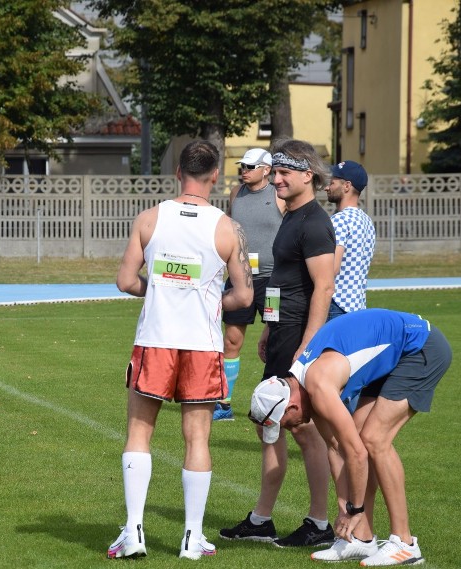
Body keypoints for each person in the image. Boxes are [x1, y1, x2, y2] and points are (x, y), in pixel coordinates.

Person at [108, 140, 254, 560]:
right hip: (202, 344)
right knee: (198, 437)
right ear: (215, 176)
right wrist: (207, 299)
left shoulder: (150, 218)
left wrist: (159, 288)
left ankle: (134, 531)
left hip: (155, 339)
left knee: (139, 432)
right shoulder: (227, 227)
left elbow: (125, 281)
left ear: (177, 173)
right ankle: (192, 536)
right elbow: (244, 296)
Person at [248, 308, 452, 566]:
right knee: (356, 438)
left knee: (374, 440)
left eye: (284, 424)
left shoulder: (319, 386)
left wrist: (354, 509)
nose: (289, 429)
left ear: (291, 407)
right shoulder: (304, 387)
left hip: (420, 347)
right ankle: (362, 539)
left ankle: (405, 543)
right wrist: (346, 511)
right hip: (393, 355)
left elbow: (356, 453)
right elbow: (336, 449)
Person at [220, 138, 336, 547]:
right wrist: (270, 326)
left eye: (285, 172)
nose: (277, 179)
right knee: (268, 423)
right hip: (282, 332)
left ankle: (320, 523)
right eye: (276, 171)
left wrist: (305, 353)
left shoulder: (315, 222)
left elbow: (323, 290)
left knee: (303, 430)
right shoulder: (291, 215)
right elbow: (284, 282)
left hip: (301, 341)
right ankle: (261, 519)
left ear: (308, 175)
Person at [214, 148, 285, 421]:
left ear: (266, 169)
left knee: (276, 341)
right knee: (231, 340)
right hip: (239, 279)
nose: (243, 170)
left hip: (273, 282)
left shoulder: (280, 195)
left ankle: (276, 404)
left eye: (250, 166)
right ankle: (223, 405)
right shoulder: (236, 194)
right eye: (241, 165)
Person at [325, 161, 375, 320]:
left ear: (346, 186)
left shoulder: (339, 220)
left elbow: (332, 268)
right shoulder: (367, 221)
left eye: (332, 183)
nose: (327, 187)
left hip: (336, 303)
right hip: (357, 305)